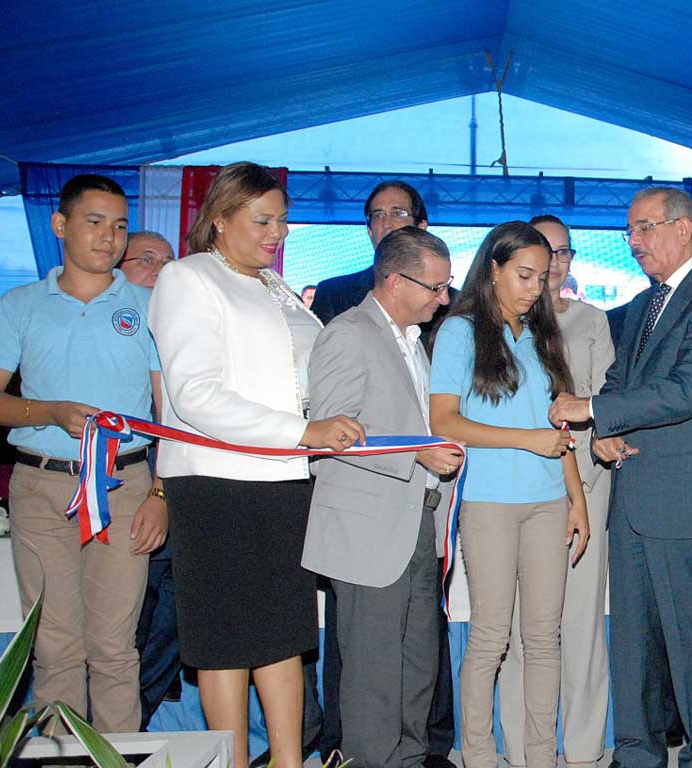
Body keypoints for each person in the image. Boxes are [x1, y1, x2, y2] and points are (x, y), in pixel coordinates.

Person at [149, 162, 365, 768]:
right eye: (263, 220)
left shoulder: (276, 288)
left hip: (284, 481)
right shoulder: (187, 278)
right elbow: (194, 394)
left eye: (283, 221)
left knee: (285, 635)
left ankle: (291, 761)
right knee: (224, 643)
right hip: (217, 481)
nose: (279, 233)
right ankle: (232, 763)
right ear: (219, 219)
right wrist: (301, 430)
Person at [550, 187, 692, 768]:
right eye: (629, 231)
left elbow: (686, 392)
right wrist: (603, 429)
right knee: (633, 642)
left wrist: (593, 412)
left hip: (686, 501)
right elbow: (620, 385)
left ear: (684, 228)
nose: (632, 242)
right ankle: (637, 752)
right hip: (633, 496)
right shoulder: (642, 305)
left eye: (644, 228)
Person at [0, 173, 166, 733]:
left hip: (128, 485)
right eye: (94, 222)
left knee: (115, 647)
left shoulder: (149, 306)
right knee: (53, 644)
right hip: (42, 487)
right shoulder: (18, 305)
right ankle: (59, 751)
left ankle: (114, 751)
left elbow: (172, 413)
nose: (108, 237)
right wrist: (49, 412)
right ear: (60, 225)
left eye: (119, 226)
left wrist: (163, 493)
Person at [429, 221, 590, 768]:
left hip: (549, 502)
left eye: (542, 278)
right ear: (492, 268)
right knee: (491, 636)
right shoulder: (460, 332)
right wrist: (527, 440)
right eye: (523, 275)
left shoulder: (542, 335)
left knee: (545, 638)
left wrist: (578, 502)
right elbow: (444, 420)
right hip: (490, 502)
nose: (533, 288)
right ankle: (479, 756)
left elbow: (559, 430)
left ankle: (540, 757)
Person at [302, 227, 462, 768]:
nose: (442, 299)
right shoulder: (348, 333)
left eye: (446, 288)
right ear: (395, 280)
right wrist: (415, 455)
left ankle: (410, 760)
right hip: (368, 528)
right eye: (435, 288)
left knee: (417, 665)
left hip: (416, 521)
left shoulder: (412, 342)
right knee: (373, 672)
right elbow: (332, 432)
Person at [497, 215, 614, 767]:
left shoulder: (593, 320)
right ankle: (524, 750)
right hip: (521, 493)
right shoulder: (496, 327)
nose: (554, 265)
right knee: (523, 629)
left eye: (564, 253)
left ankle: (585, 748)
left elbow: (605, 403)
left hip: (588, 485)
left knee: (583, 624)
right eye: (544, 255)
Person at [116, 229, 182, 730]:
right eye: (146, 259)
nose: (159, 270)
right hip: (120, 489)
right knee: (124, 626)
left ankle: (131, 726)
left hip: (180, 499)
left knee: (169, 623)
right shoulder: (115, 329)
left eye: (168, 260)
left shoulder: (180, 329)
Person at [313, 180, 429, 325]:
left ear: (421, 227)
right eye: (378, 215)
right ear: (370, 232)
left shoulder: (449, 302)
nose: (387, 223)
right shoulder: (333, 294)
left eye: (398, 213)